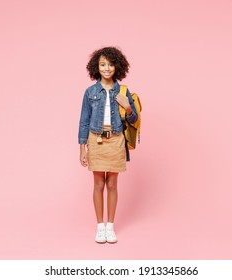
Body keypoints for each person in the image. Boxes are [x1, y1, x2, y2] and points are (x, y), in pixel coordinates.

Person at [78, 47, 138, 243]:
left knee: (112, 184)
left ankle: (110, 226)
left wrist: (127, 106)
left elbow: (133, 118)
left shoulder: (123, 91)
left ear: (117, 67)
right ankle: (100, 226)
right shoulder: (90, 92)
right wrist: (82, 148)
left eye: (110, 64)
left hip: (116, 140)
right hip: (96, 140)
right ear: (96, 66)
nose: (106, 68)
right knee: (98, 183)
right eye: (102, 64)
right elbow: (84, 121)